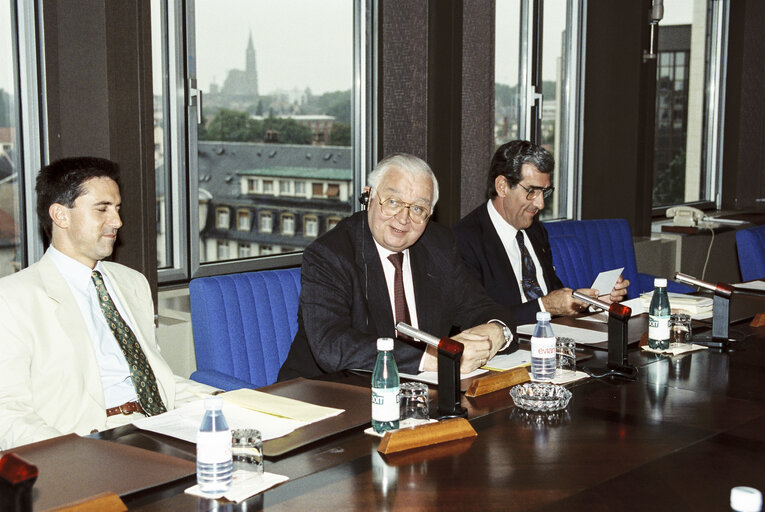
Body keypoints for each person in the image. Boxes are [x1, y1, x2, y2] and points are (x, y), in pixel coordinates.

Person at [0, 157, 217, 449]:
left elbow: (155, 377)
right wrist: (77, 453)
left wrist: (224, 403)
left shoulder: (132, 283)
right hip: (89, 441)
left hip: (160, 426)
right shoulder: (13, 298)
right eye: (102, 209)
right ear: (60, 216)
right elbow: (9, 413)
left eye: (116, 209)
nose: (117, 222)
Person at [278, 153, 517, 381]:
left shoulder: (439, 246)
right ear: (368, 197)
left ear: (429, 215)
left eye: (417, 209)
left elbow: (481, 307)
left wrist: (498, 332)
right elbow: (333, 347)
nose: (403, 219)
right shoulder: (331, 254)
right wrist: (436, 359)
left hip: (415, 394)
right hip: (324, 394)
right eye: (393, 202)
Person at [453, 140, 629, 325]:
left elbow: (555, 294)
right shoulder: (464, 240)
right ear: (502, 186)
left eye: (544, 192)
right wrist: (544, 307)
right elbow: (477, 319)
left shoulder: (535, 231)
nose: (540, 204)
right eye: (531, 191)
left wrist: (591, 303)